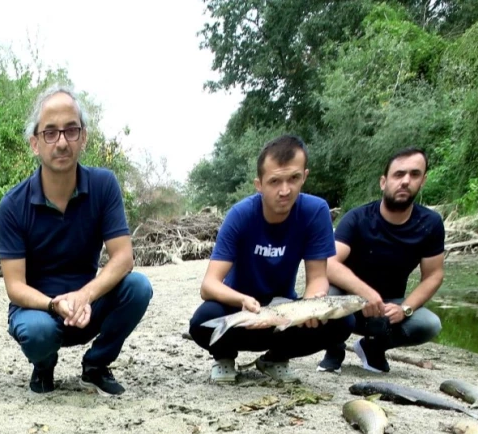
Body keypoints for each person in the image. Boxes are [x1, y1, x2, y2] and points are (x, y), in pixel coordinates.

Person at [0, 86, 152, 396]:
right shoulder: (12, 205)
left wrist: (84, 295)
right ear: (35, 143)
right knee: (37, 331)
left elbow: (123, 258)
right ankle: (44, 365)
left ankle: (96, 364)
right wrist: (54, 304)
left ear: (83, 137)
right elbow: (15, 287)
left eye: (71, 130)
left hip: (88, 307)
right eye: (50, 133)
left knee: (138, 287)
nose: (62, 142)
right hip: (39, 311)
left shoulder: (104, 185)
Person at [189, 135, 343, 384]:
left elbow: (317, 278)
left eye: (293, 178)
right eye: (274, 182)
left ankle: (275, 358)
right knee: (202, 320)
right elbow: (209, 286)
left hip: (284, 312)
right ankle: (224, 357)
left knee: (341, 320)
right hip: (240, 311)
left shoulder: (315, 211)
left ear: (304, 176)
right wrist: (242, 300)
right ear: (259, 184)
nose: (285, 190)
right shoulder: (240, 215)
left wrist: (314, 304)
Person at [320, 147, 445, 373]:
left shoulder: (431, 223)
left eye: (414, 175)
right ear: (383, 182)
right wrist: (365, 294)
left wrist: (405, 308)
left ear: (423, 180)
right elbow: (328, 262)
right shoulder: (357, 218)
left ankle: (372, 348)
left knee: (429, 324)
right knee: (327, 295)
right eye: (399, 174)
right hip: (350, 302)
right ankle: (334, 348)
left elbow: (434, 275)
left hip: (390, 307)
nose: (406, 181)